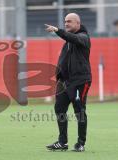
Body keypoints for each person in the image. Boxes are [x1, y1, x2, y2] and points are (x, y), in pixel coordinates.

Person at [45, 13, 92, 152]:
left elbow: (71, 37)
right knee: (59, 109)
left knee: (79, 111)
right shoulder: (68, 42)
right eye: (65, 21)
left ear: (78, 23)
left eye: (69, 21)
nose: (66, 24)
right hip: (65, 82)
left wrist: (57, 30)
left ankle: (81, 143)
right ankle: (62, 142)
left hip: (80, 81)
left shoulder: (83, 38)